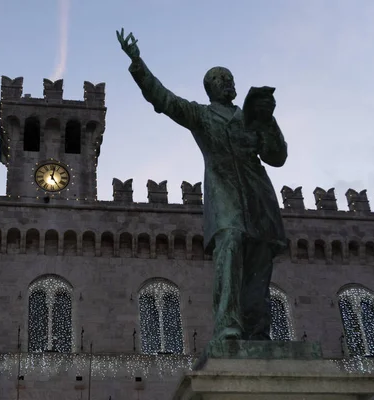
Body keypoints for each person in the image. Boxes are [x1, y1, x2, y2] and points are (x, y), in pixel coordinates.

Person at [116, 29, 288, 342]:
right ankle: (228, 325)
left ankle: (258, 330)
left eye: (229, 78)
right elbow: (165, 99)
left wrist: (269, 120)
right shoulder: (201, 115)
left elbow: (277, 157)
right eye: (219, 79)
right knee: (230, 246)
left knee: (260, 263)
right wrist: (138, 64)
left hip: (259, 198)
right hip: (226, 199)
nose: (227, 83)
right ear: (209, 89)